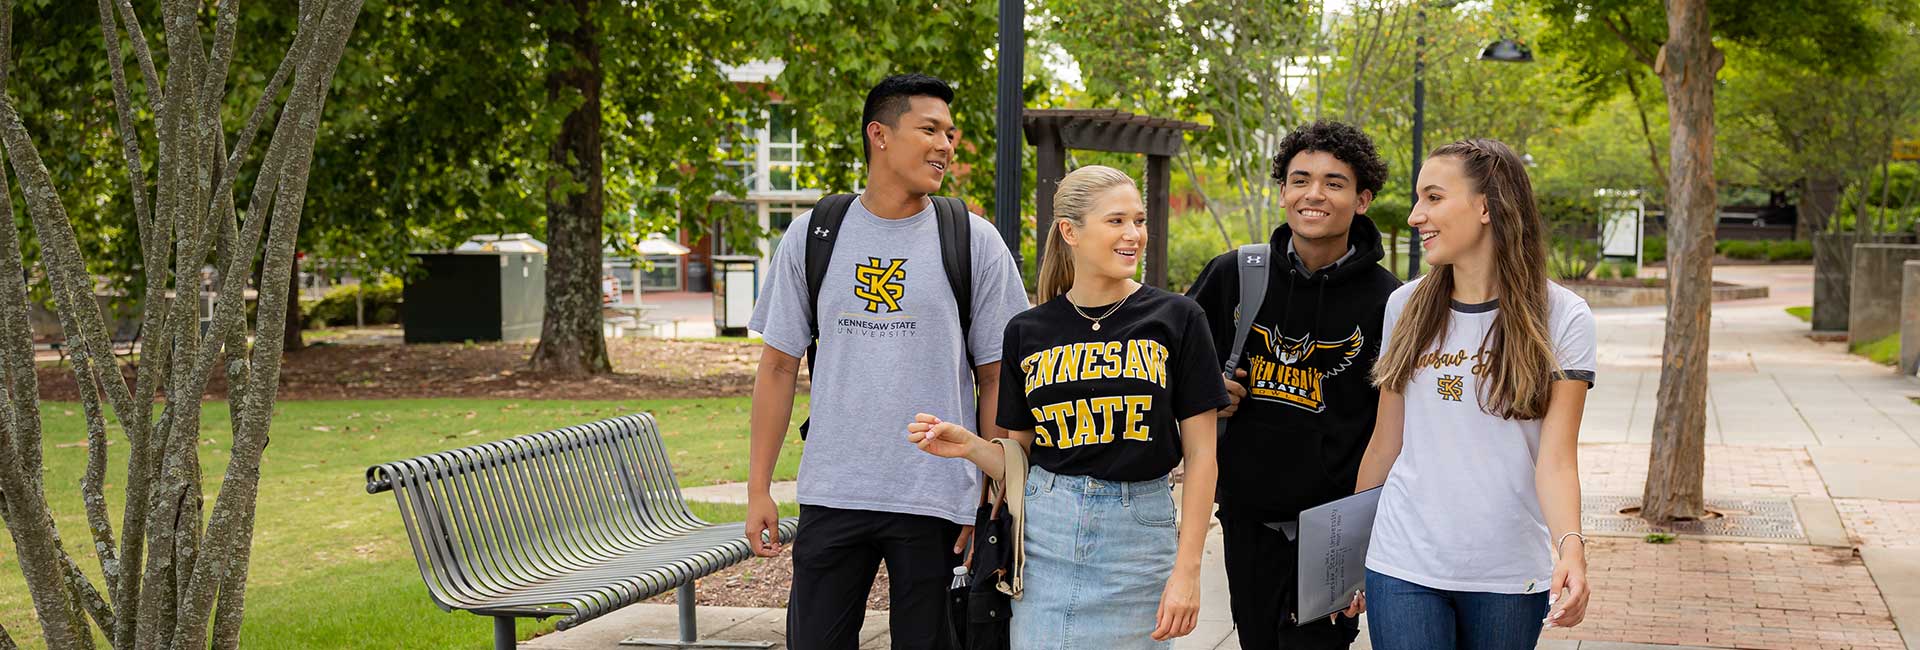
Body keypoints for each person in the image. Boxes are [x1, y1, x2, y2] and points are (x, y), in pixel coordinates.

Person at [742, 73, 1029, 650]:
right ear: (879, 135)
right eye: (929, 129)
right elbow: (777, 369)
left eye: (949, 133)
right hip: (833, 491)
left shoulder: (973, 241)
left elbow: (997, 374)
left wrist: (990, 491)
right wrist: (758, 489)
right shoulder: (813, 235)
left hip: (938, 497)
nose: (945, 145)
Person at [908, 165, 1228, 648]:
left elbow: (1203, 456)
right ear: (1070, 231)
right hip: (1044, 538)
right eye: (1116, 221)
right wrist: (971, 447)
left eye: (1138, 221)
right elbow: (1018, 461)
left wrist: (1187, 572)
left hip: (1138, 539)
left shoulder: (1178, 319)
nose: (1133, 235)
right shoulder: (1027, 331)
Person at [1348, 138, 1595, 649]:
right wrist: (1350, 553)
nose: (1417, 215)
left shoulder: (1563, 317)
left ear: (1486, 206)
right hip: (1402, 562)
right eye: (1419, 199)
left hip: (1508, 573)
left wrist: (1570, 548)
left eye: (1433, 197)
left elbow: (1556, 459)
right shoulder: (1405, 306)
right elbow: (1385, 443)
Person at [1185, 121, 1400, 649]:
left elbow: (1397, 426)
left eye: (1334, 182)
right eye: (1300, 179)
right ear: (1282, 191)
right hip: (1247, 518)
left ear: (1362, 199)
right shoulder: (1234, 273)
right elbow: (1172, 371)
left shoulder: (1391, 301)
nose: (1314, 194)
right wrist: (1209, 393)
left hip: (1333, 530)